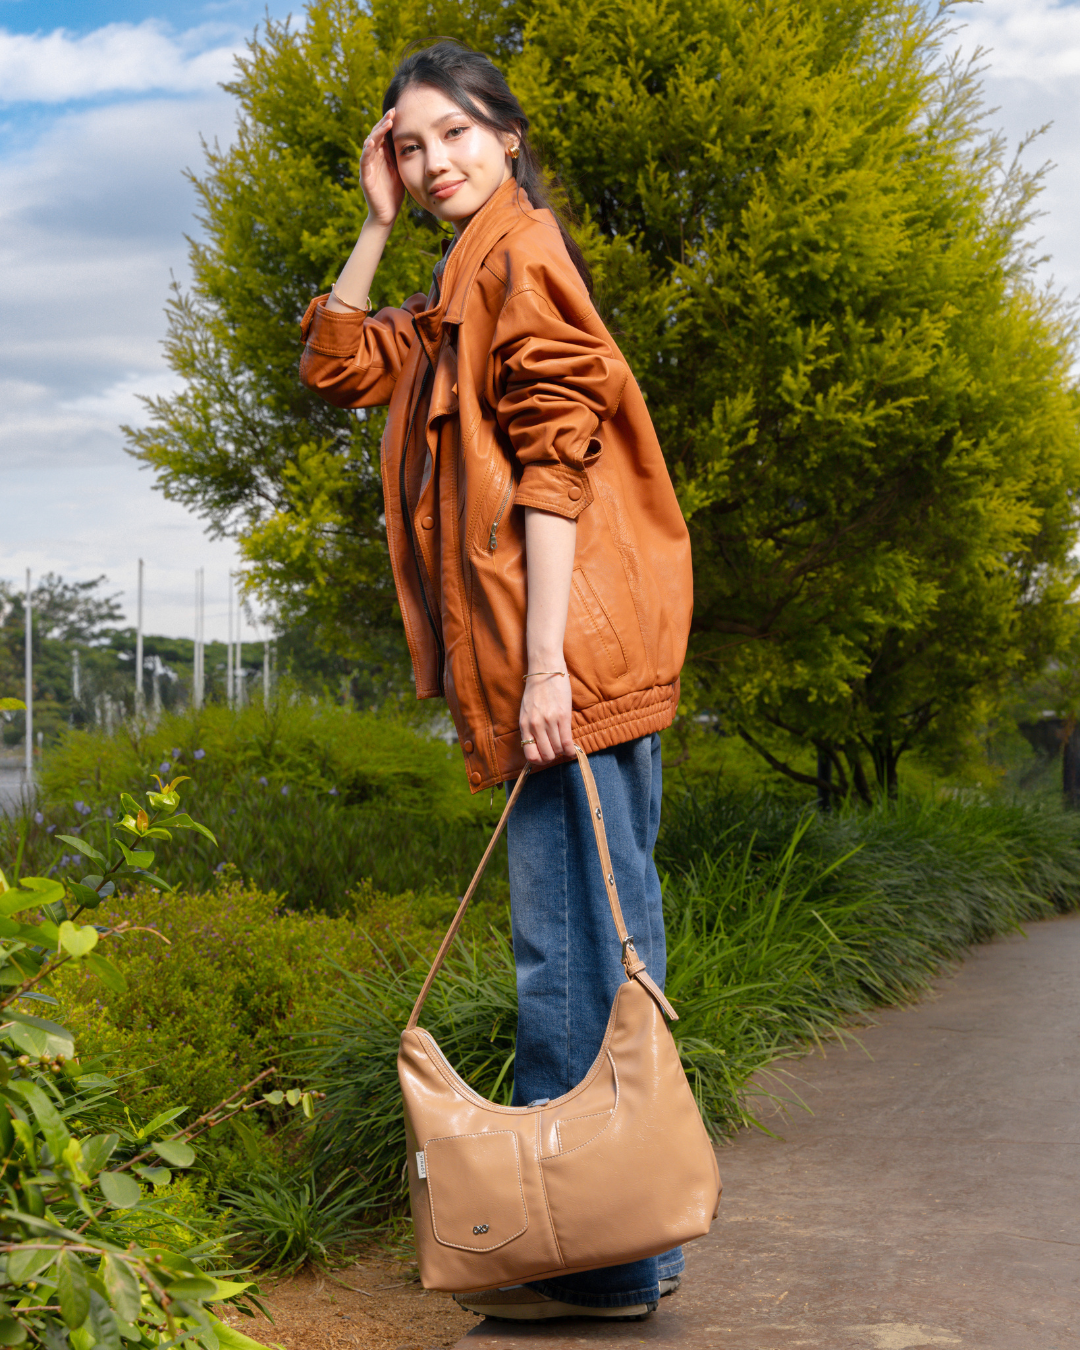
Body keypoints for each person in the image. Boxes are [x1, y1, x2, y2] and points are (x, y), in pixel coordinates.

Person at [299, 40, 694, 1322]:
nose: (433, 163)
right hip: (566, 668)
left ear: (507, 136)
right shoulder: (462, 277)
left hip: (563, 668)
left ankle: (597, 1264)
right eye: (410, 146)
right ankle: (623, 1254)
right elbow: (337, 367)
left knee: (570, 959)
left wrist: (541, 670)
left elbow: (556, 463)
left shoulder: (517, 258)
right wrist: (372, 225)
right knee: (598, 949)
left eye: (455, 135)